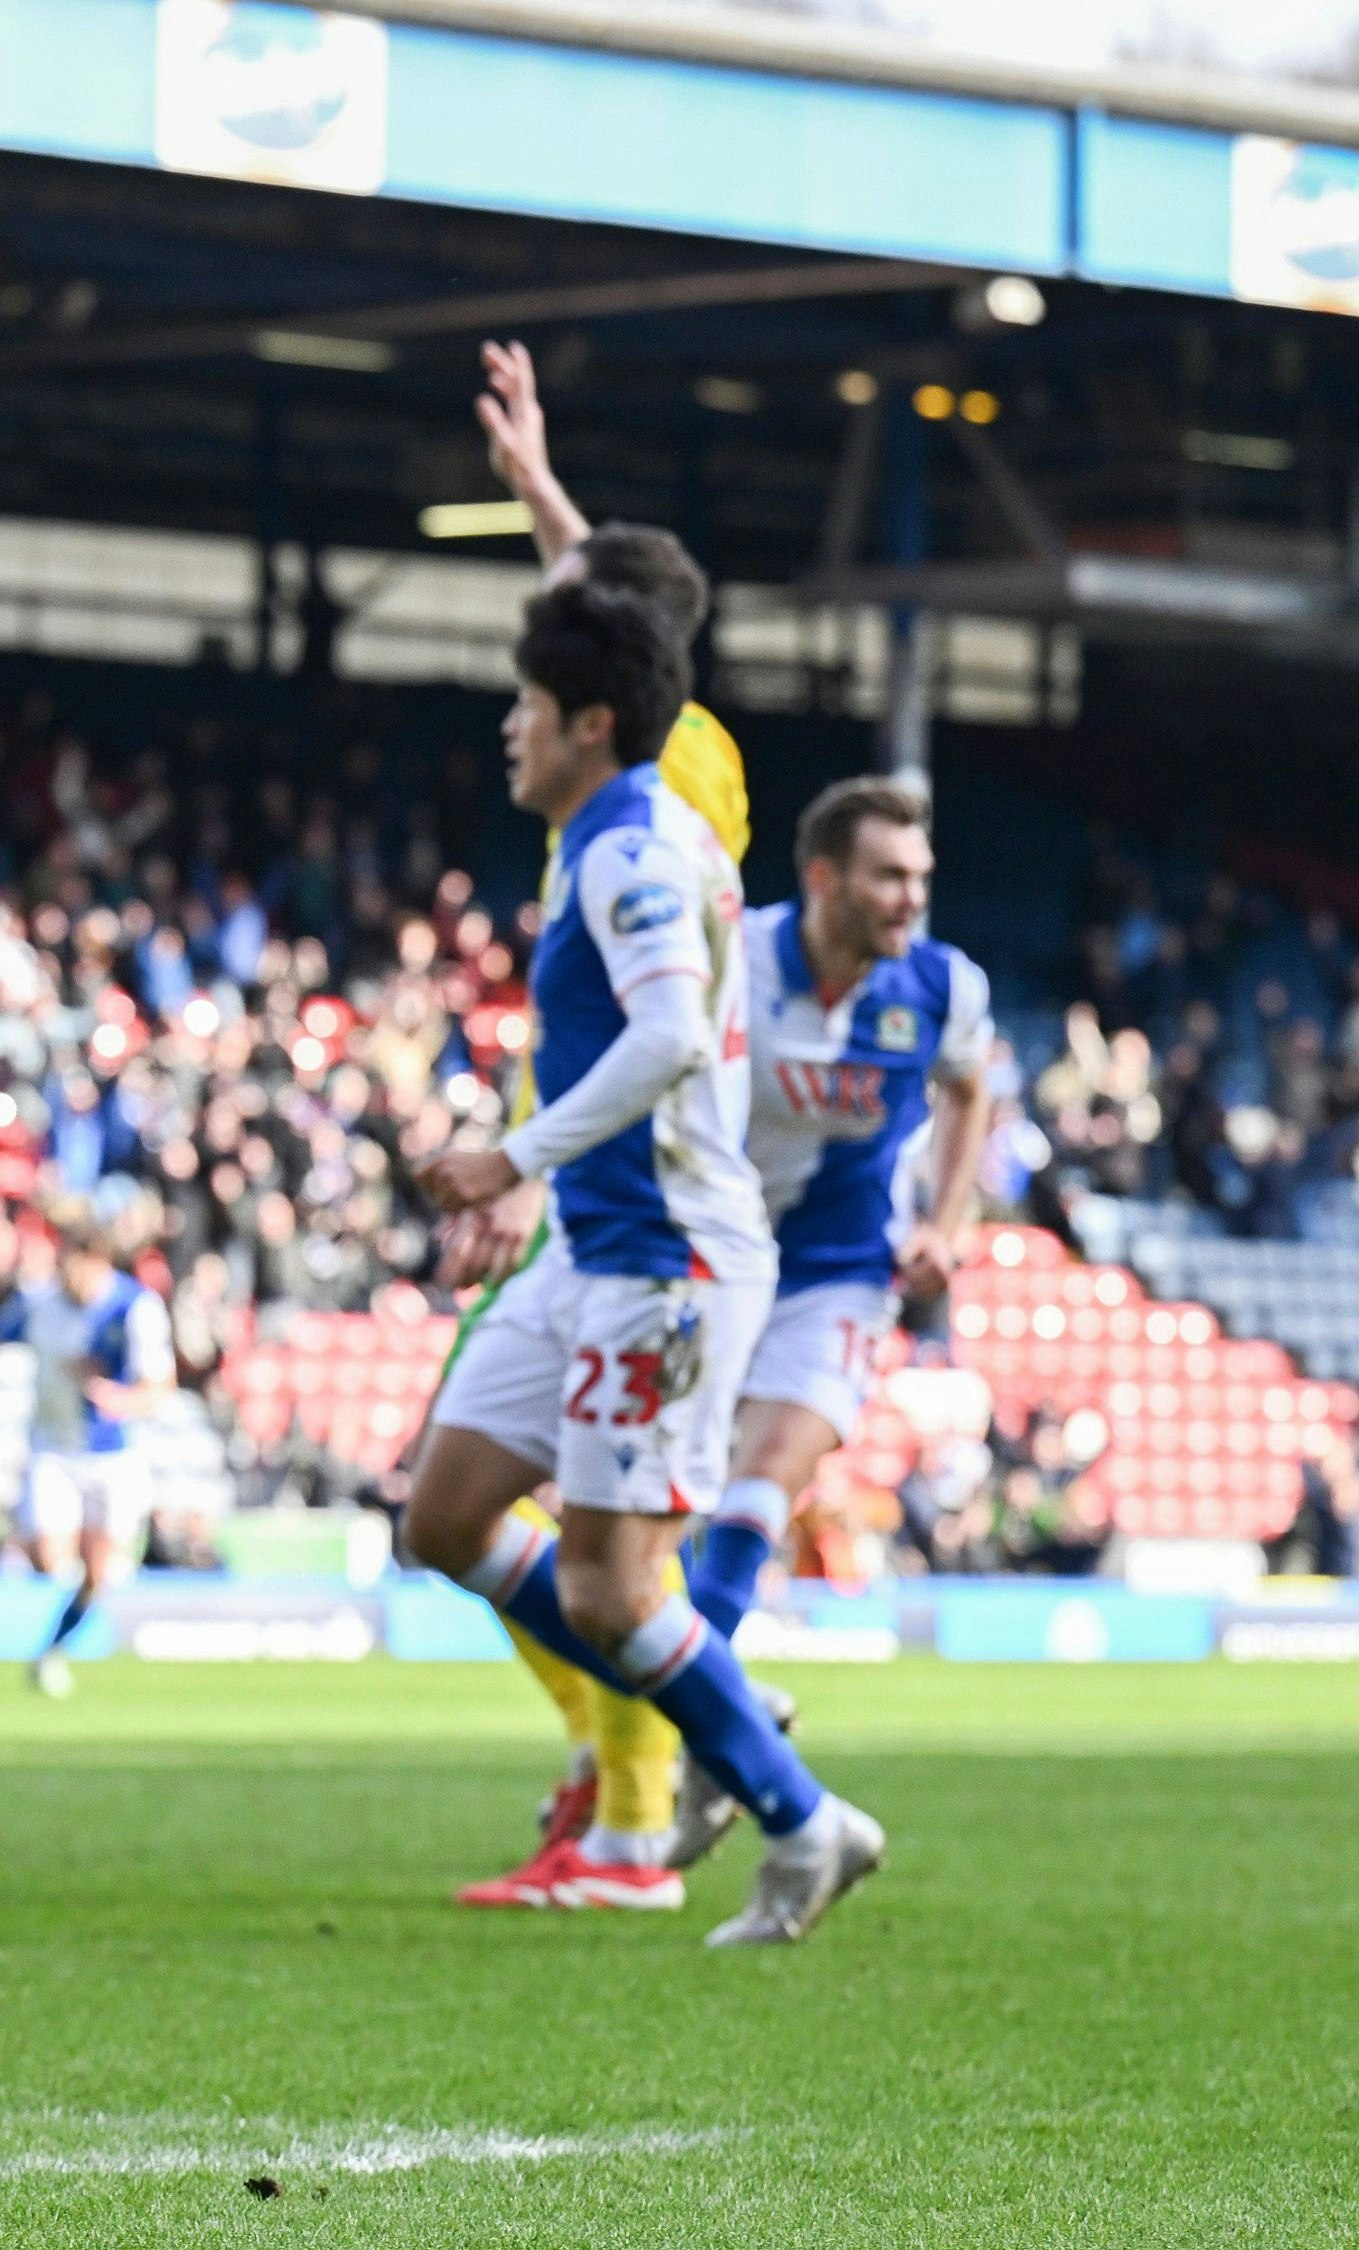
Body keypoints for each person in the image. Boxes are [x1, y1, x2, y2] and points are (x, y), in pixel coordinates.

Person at [407, 576, 884, 1948]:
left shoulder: (629, 850)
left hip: (659, 1258)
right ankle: (709, 1687)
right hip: (588, 1252)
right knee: (443, 1514)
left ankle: (802, 1819)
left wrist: (515, 1156)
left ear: (591, 722)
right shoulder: (620, 832)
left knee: (616, 1590)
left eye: (530, 707)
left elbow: (673, 1028)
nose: (510, 727)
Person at [443, 343, 754, 1913]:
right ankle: (630, 1740)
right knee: (472, 1502)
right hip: (584, 1166)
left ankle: (655, 1770)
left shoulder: (664, 764)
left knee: (581, 1536)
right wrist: (537, 484)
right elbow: (609, 594)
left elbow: (661, 1023)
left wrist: (519, 1158)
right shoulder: (664, 736)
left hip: (618, 1186)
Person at [659, 777, 991, 1870]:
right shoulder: (731, 962)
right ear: (821, 878)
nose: (909, 900)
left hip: (837, 1275)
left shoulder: (942, 988)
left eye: (920, 879)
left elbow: (968, 1090)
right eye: (888, 876)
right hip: (702, 1260)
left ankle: (713, 1750)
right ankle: (720, 1724)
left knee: (762, 1482)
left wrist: (945, 1219)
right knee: (641, 1534)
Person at [0, 1228, 174, 1697]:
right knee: (52, 1555)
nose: (70, 1275)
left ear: (100, 1261)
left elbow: (159, 1388)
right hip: (53, 1448)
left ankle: (52, 1650)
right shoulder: (39, 1302)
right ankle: (15, 1564)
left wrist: (115, 1397)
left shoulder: (134, 1307)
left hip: (112, 1455)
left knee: (99, 1574)